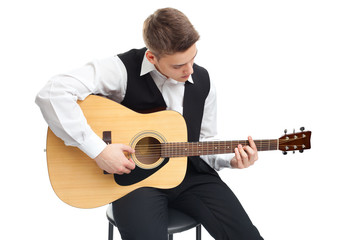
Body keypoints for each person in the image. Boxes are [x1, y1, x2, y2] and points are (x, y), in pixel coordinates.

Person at [36, 7, 263, 240]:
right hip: (134, 182)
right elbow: (53, 93)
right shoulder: (120, 70)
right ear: (152, 57)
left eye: (193, 58)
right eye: (178, 66)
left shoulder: (203, 81)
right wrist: (99, 150)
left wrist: (232, 160)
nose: (189, 70)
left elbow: (203, 141)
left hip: (192, 176)